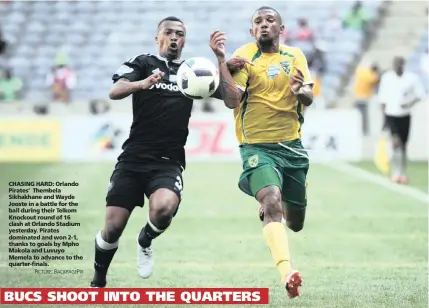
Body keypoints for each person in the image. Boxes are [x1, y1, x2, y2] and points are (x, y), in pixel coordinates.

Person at [90, 16, 247, 288]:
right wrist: (142, 84)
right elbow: (115, 91)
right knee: (113, 227)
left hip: (167, 161)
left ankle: (146, 239)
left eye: (180, 33)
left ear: (185, 40)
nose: (174, 37)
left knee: (163, 209)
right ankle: (99, 278)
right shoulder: (143, 63)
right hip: (132, 159)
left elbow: (233, 100)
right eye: (169, 32)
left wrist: (221, 62)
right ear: (157, 38)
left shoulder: (194, 69)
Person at [209, 6, 314, 299]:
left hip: (292, 148)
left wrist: (299, 91)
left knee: (295, 222)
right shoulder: (245, 57)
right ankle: (287, 274)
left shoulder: (296, 57)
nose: (264, 24)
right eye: (258, 21)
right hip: (256, 147)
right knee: (272, 200)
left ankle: (272, 206)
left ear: (282, 29)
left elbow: (309, 96)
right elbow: (231, 100)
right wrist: (221, 61)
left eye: (270, 21)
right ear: (251, 31)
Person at [378, 56, 425, 184]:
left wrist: (409, 103)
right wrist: (384, 120)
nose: (398, 66)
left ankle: (402, 173)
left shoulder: (411, 78)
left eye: (400, 64)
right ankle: (396, 172)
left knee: (403, 146)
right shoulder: (387, 78)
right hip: (391, 115)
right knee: (395, 142)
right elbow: (382, 99)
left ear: (403, 65)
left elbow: (420, 95)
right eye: (396, 64)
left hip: (404, 115)